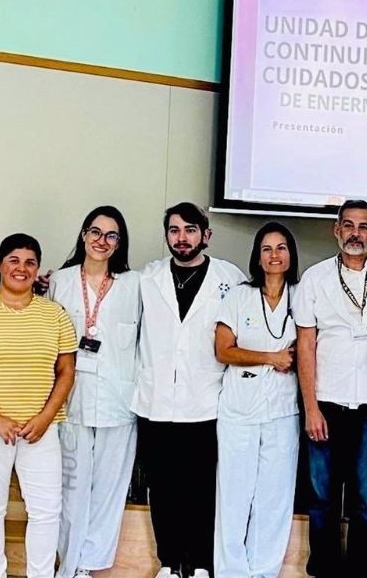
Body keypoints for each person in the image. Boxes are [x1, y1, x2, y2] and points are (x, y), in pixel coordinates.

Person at [0, 233, 78, 578]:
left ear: (38, 270)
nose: (22, 268)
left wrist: (46, 417)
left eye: (30, 262)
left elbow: (66, 371)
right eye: (14, 261)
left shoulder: (55, 315)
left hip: (40, 428)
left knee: (47, 509)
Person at [295, 200, 367, 578]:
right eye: (348, 226)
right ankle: (324, 569)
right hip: (326, 402)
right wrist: (310, 407)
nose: (355, 233)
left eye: (363, 227)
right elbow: (306, 346)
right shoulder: (314, 278)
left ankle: (362, 569)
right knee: (322, 496)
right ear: (336, 230)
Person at [132, 202, 246, 578]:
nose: (182, 238)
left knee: (201, 489)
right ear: (166, 235)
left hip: (206, 401)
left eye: (191, 230)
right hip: (156, 402)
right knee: (162, 489)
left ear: (206, 236)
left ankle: (198, 563)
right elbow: (104, 288)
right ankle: (168, 562)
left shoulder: (230, 279)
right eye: (175, 230)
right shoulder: (147, 278)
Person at [48, 206, 142, 578]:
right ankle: (67, 564)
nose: (102, 241)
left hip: (119, 398)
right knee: (71, 486)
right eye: (95, 232)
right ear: (84, 235)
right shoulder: (60, 280)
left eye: (111, 235)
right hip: (70, 398)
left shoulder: (135, 283)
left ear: (120, 243)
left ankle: (88, 566)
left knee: (109, 488)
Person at [213, 221, 302, 578]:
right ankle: (231, 570)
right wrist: (271, 357)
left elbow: (313, 344)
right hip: (239, 409)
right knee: (234, 493)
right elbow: (223, 350)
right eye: (267, 249)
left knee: (275, 497)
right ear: (257, 256)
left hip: (282, 410)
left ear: (291, 254)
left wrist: (295, 355)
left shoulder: (303, 295)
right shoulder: (238, 296)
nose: (274, 255)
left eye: (281, 248)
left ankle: (263, 570)